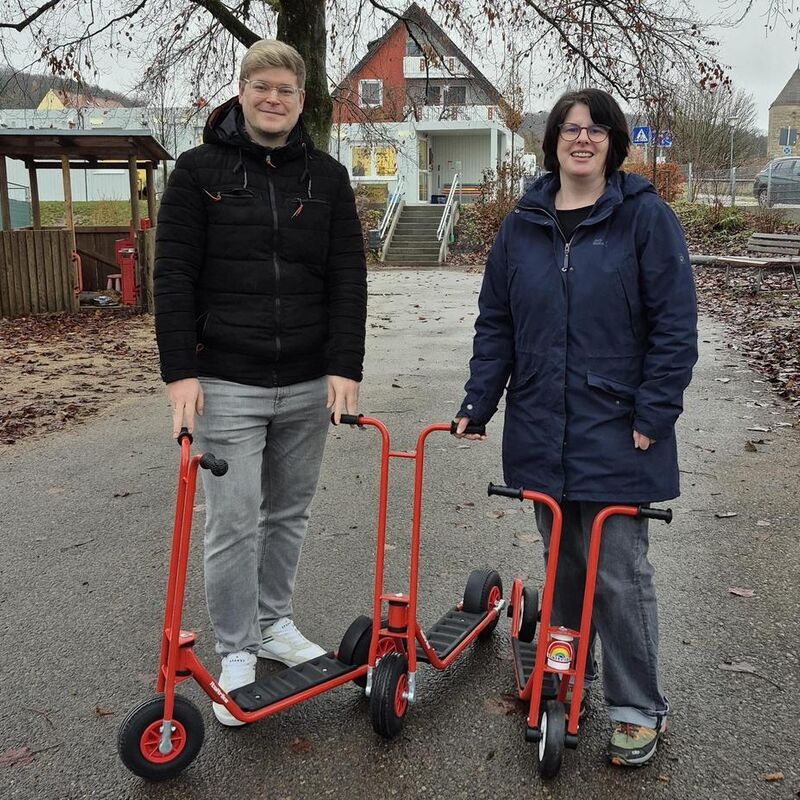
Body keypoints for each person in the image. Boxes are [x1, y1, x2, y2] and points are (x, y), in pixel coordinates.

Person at [455, 88, 697, 767]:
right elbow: (497, 323)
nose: (582, 138)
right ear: (553, 141)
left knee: (617, 572)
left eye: (595, 129)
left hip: (619, 427)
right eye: (569, 128)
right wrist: (479, 401)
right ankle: (566, 676)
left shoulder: (645, 219)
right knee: (563, 564)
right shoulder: (521, 225)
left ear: (614, 142)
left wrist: (655, 412)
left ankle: (637, 707)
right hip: (541, 423)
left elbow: (675, 326)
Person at [153, 39, 367, 726]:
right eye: (262, 86)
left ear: (302, 101)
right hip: (227, 380)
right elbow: (173, 276)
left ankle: (275, 624)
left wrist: (345, 365)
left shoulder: (327, 177)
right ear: (241, 92)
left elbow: (347, 278)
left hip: (307, 380)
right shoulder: (197, 172)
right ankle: (239, 649)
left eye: (286, 90)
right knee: (234, 521)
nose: (273, 99)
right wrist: (180, 372)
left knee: (288, 514)